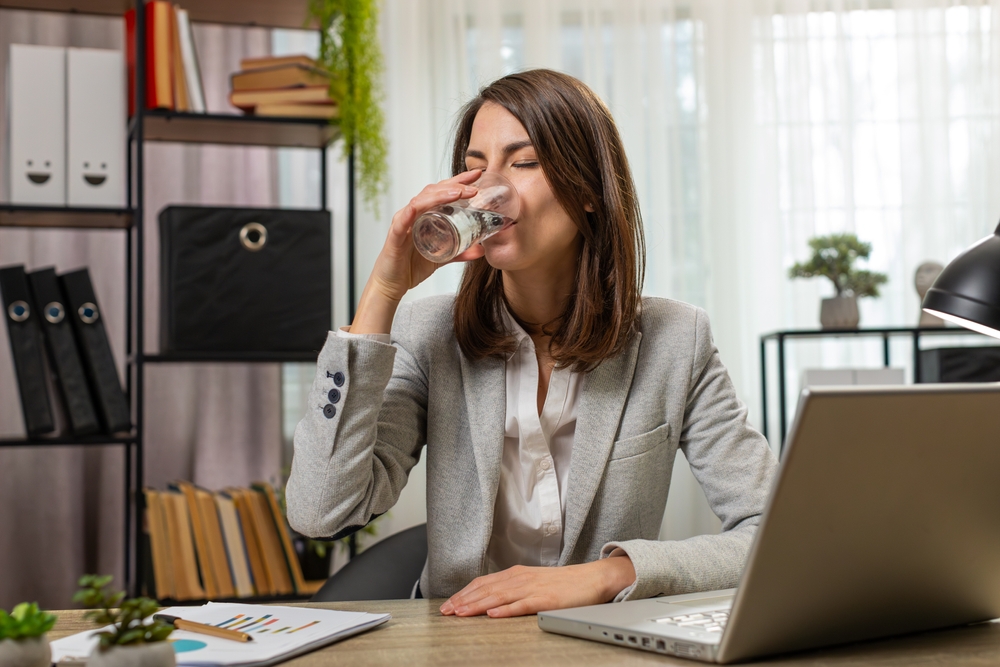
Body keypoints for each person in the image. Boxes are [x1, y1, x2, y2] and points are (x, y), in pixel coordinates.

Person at [286, 69, 777, 618]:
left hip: (599, 646)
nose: (488, 189)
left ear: (589, 191)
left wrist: (609, 575)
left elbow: (777, 536)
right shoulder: (427, 335)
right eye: (474, 167)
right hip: (457, 644)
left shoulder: (676, 340)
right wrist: (382, 292)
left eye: (523, 162)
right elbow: (321, 511)